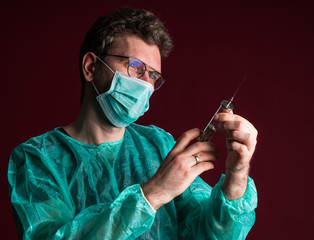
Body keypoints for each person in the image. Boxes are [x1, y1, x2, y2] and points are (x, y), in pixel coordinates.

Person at [8, 7, 258, 240]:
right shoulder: (37, 160)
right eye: (135, 67)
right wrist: (153, 193)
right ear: (91, 67)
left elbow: (214, 233)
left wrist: (236, 176)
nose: (145, 85)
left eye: (154, 76)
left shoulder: (158, 146)